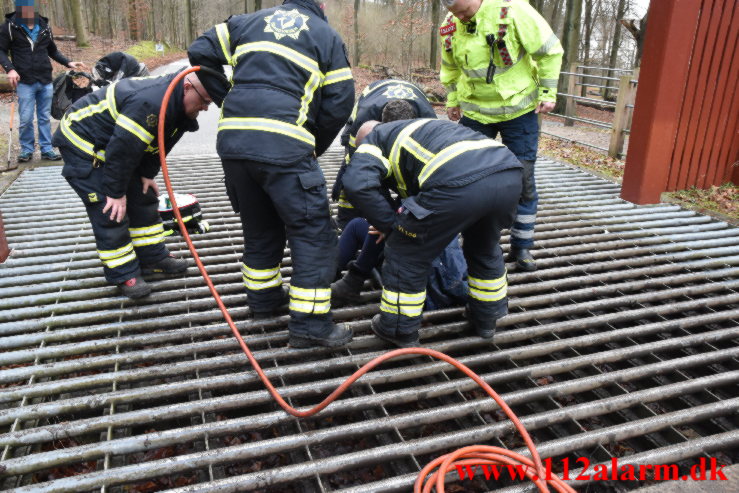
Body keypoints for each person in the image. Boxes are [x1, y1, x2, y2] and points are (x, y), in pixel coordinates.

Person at [188, 0, 355, 348]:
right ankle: (310, 325)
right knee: (314, 234)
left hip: (234, 144)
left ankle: (263, 302)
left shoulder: (245, 22)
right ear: (320, 4)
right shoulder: (326, 35)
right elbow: (340, 100)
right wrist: (312, 145)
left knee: (260, 224)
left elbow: (199, 51)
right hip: (286, 146)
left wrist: (228, 98)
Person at [343, 118, 523, 347]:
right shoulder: (419, 128)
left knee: (405, 251)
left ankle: (398, 328)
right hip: (508, 174)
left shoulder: (373, 140)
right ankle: (486, 318)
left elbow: (357, 184)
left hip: (457, 182)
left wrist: (391, 226)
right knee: (483, 248)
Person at [51, 71, 215, 299]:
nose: (206, 108)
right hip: (85, 148)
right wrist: (115, 192)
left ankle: (152, 257)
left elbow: (159, 141)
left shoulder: (176, 105)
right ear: (188, 87)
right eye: (205, 101)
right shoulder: (150, 102)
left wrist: (147, 173)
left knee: (143, 197)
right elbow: (123, 149)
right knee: (110, 211)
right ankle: (123, 273)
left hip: (116, 149)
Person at [439, 0, 563, 271]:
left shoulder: (513, 11)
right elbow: (449, 66)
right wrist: (451, 98)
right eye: (454, 12)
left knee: (523, 179)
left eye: (462, 10)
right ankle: (474, 243)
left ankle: (522, 247)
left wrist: (548, 93)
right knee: (466, 179)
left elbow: (550, 50)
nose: (458, 16)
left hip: (518, 111)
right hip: (474, 113)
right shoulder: (450, 25)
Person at [333, 79, 438, 229]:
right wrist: (384, 211)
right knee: (354, 177)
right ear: (381, 124)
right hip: (370, 98)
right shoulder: (363, 122)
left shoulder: (428, 121)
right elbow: (357, 168)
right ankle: (345, 222)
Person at [0, 0, 86, 163]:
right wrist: (10, 69)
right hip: (25, 81)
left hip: (45, 79)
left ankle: (47, 149)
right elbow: (1, 50)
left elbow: (52, 50)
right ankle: (27, 149)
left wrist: (68, 62)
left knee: (45, 117)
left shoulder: (44, 26)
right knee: (25, 118)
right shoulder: (9, 27)